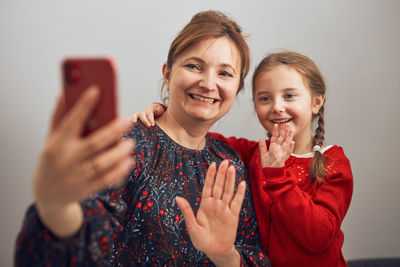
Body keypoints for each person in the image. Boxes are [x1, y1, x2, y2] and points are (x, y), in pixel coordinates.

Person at [15, 11, 270, 266]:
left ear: (237, 89)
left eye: (225, 73)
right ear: (168, 74)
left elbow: (253, 255)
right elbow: (84, 233)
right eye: (194, 66)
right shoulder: (126, 145)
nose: (208, 83)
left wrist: (225, 256)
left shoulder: (231, 163)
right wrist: (55, 207)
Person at [134, 51, 353, 267]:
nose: (277, 106)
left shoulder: (333, 163)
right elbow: (196, 134)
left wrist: (277, 176)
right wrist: (164, 115)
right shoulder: (256, 153)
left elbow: (318, 237)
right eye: (265, 98)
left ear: (316, 102)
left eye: (290, 96)